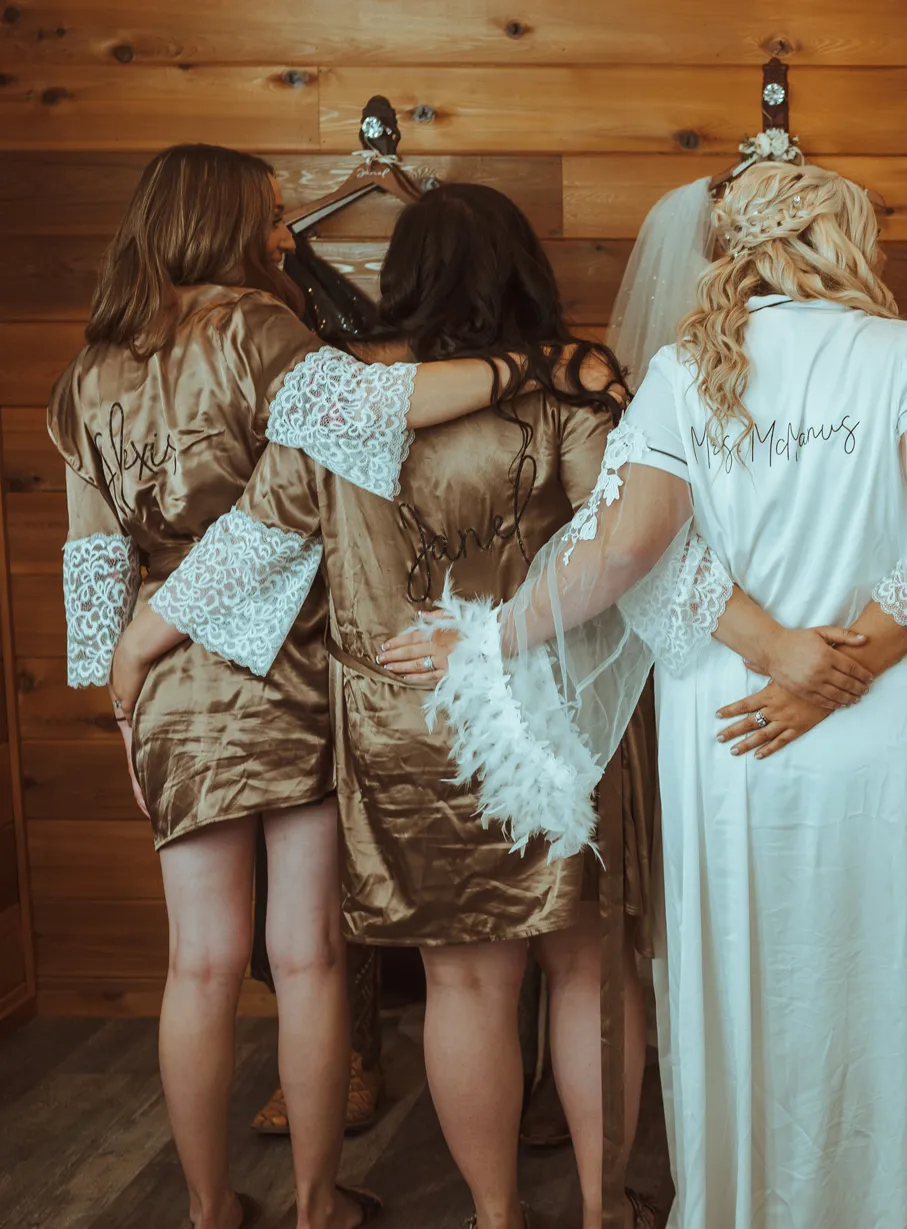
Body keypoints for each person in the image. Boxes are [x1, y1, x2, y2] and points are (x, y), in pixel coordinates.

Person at [384, 160, 907, 1229]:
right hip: (889, 732)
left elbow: (623, 553)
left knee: (746, 981)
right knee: (887, 984)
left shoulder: (688, 370)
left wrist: (492, 636)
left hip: (732, 728)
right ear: (844, 241)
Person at [109, 183, 653, 1229]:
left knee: (463, 987)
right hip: (554, 714)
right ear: (524, 270)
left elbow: (253, 540)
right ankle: (603, 1208)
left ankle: (493, 1213)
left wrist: (140, 639)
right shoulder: (575, 385)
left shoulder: (334, 399)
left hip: (406, 733)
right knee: (590, 970)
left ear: (402, 275)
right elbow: (615, 540)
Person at [53, 143, 522, 1229]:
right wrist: (524, 367)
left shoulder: (86, 369)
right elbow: (376, 411)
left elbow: (89, 560)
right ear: (218, 221)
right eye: (269, 217)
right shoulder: (258, 330)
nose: (282, 236)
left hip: (164, 681)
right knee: (305, 952)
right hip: (286, 666)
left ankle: (211, 1206)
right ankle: (318, 1204)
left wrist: (122, 685)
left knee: (199, 960)